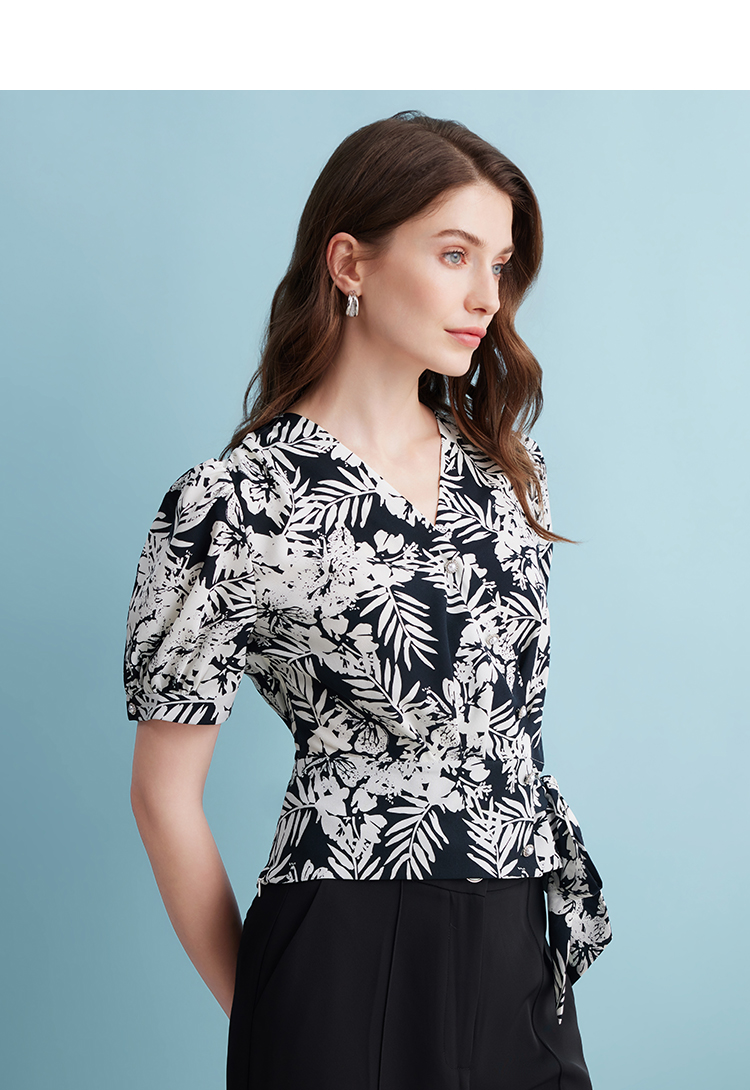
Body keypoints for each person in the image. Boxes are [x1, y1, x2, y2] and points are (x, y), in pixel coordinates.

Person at [125, 110, 612, 1090]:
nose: (487, 296)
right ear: (350, 263)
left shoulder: (511, 475)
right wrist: (270, 1013)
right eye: (454, 254)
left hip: (521, 937)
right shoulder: (234, 505)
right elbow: (162, 795)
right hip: (349, 940)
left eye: (499, 264)